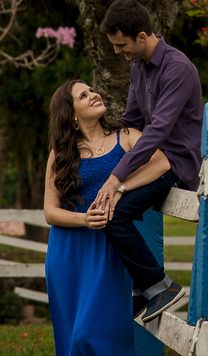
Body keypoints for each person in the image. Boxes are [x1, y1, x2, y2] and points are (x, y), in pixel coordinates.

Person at [88, 0, 203, 323]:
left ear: (142, 36)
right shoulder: (139, 68)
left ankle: (158, 285)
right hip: (150, 163)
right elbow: (131, 123)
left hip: (177, 167)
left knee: (115, 215)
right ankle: (144, 287)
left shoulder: (178, 69)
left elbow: (155, 132)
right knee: (107, 209)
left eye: (120, 44)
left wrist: (116, 179)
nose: (116, 51)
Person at [44, 78, 172, 356]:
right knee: (71, 341)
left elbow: (162, 163)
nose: (93, 94)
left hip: (107, 249)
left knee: (92, 333)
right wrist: (83, 220)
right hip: (66, 253)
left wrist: (121, 187)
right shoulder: (61, 154)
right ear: (71, 114)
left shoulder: (125, 136)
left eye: (92, 90)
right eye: (83, 95)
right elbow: (50, 212)